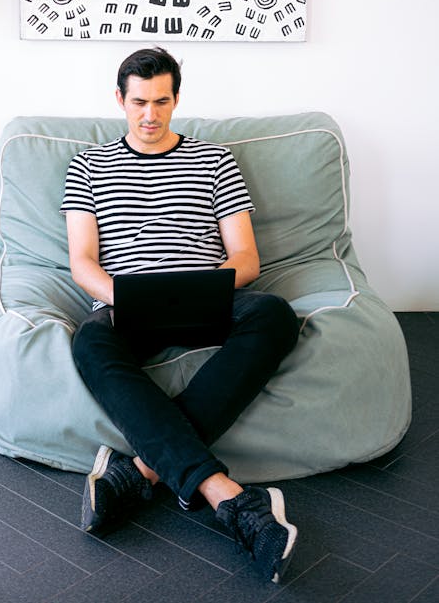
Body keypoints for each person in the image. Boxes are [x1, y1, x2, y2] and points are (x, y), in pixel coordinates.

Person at [61, 47, 301, 584]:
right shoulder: (87, 164)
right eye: (139, 102)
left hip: (204, 298)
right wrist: (127, 296)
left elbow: (246, 258)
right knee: (89, 342)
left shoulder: (215, 159)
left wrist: (206, 284)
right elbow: (83, 264)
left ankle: (140, 472)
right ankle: (231, 500)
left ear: (176, 99)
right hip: (127, 303)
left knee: (276, 315)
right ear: (120, 100)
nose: (151, 114)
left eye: (162, 101)